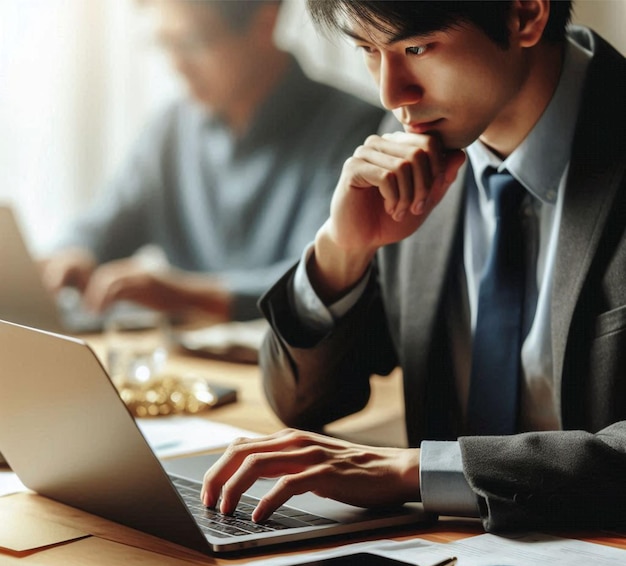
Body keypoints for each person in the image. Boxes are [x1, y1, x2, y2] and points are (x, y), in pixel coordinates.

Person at [201, 0, 626, 532]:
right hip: (438, 554)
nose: (391, 93)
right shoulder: (410, 147)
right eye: (367, 51)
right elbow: (301, 400)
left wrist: (418, 471)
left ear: (524, 15)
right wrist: (342, 249)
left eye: (417, 48)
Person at [40, 0, 384, 321]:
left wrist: (185, 295)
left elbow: (323, 277)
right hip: (183, 372)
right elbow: (102, 225)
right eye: (164, 43)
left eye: (192, 42)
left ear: (266, 22)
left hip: (291, 373)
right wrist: (74, 255)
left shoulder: (357, 132)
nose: (176, 65)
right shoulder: (170, 129)